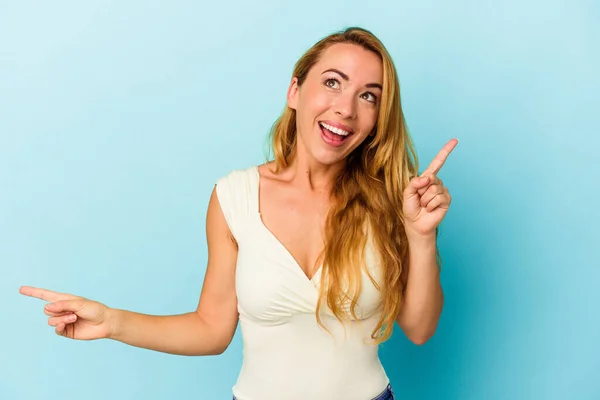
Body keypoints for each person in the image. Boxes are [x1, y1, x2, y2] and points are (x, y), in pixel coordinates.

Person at [20, 27, 457, 400]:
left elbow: (419, 329)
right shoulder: (234, 197)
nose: (346, 108)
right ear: (295, 91)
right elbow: (212, 328)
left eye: (369, 96)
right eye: (332, 83)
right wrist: (113, 321)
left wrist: (420, 236)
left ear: (378, 118)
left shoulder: (393, 201)